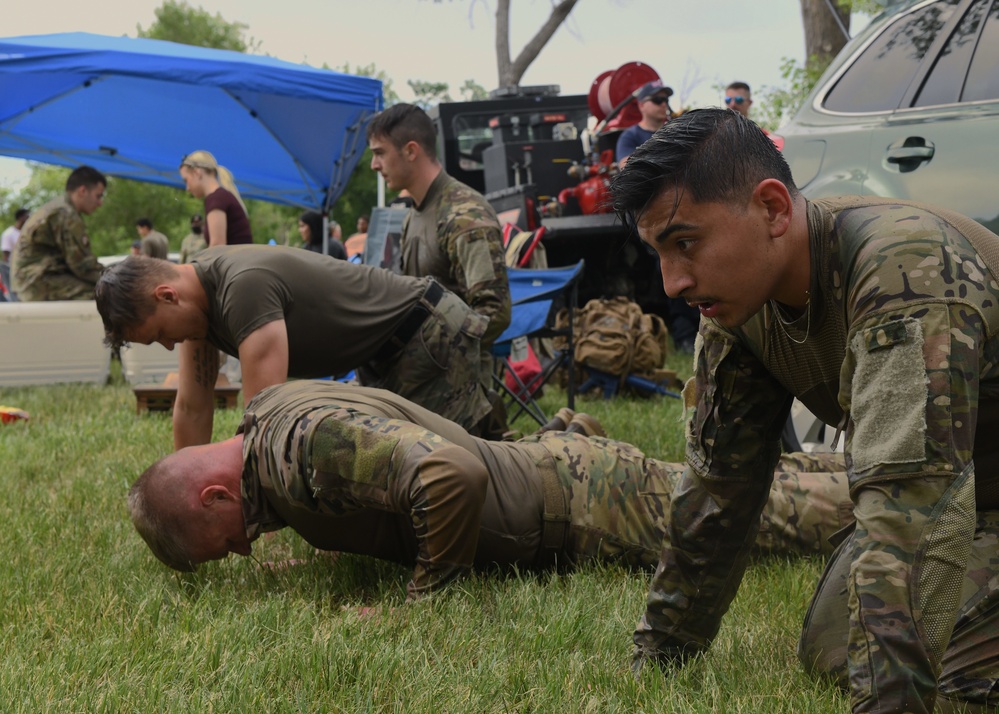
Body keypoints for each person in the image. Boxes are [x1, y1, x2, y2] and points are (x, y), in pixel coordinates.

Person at [611, 107, 999, 713]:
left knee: (944, 681)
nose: (672, 283)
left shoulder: (903, 269)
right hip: (972, 495)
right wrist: (659, 654)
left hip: (960, 494)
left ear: (773, 209)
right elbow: (718, 492)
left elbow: (910, 513)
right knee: (834, 652)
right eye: (659, 252)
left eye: (686, 243)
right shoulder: (738, 308)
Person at [127, 380, 854, 599]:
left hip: (583, 506)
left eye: (228, 546)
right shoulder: (269, 419)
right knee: (734, 487)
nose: (245, 552)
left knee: (763, 519)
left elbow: (450, 473)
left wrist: (427, 595)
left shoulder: (301, 447)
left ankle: (913, 486)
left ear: (216, 499)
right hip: (568, 474)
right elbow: (355, 493)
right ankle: (870, 466)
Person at [94, 245, 495, 448]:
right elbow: (192, 407)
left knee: (461, 460)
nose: (168, 346)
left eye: (161, 334)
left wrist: (253, 517)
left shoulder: (243, 287)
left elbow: (264, 421)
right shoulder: (194, 302)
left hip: (429, 331)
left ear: (166, 295)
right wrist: (183, 487)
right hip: (383, 350)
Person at [367, 103, 511, 350]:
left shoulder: (465, 214)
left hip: (452, 383)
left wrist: (425, 352)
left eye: (380, 153)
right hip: (417, 378)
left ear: (411, 151)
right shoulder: (416, 212)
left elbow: (493, 314)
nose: (374, 165)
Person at [12, 165, 105, 301]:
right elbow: (82, 266)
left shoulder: (60, 208)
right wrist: (119, 280)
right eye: (98, 196)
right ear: (83, 191)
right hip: (35, 283)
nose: (100, 203)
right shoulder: (65, 214)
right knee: (107, 296)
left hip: (32, 280)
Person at [178, 151, 253, 247]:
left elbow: (217, 246)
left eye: (186, 180)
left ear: (197, 173)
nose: (187, 188)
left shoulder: (216, 199)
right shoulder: (221, 196)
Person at [615, 80, 674, 169]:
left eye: (666, 100)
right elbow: (627, 169)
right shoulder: (629, 136)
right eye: (657, 100)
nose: (664, 104)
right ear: (641, 105)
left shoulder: (674, 133)